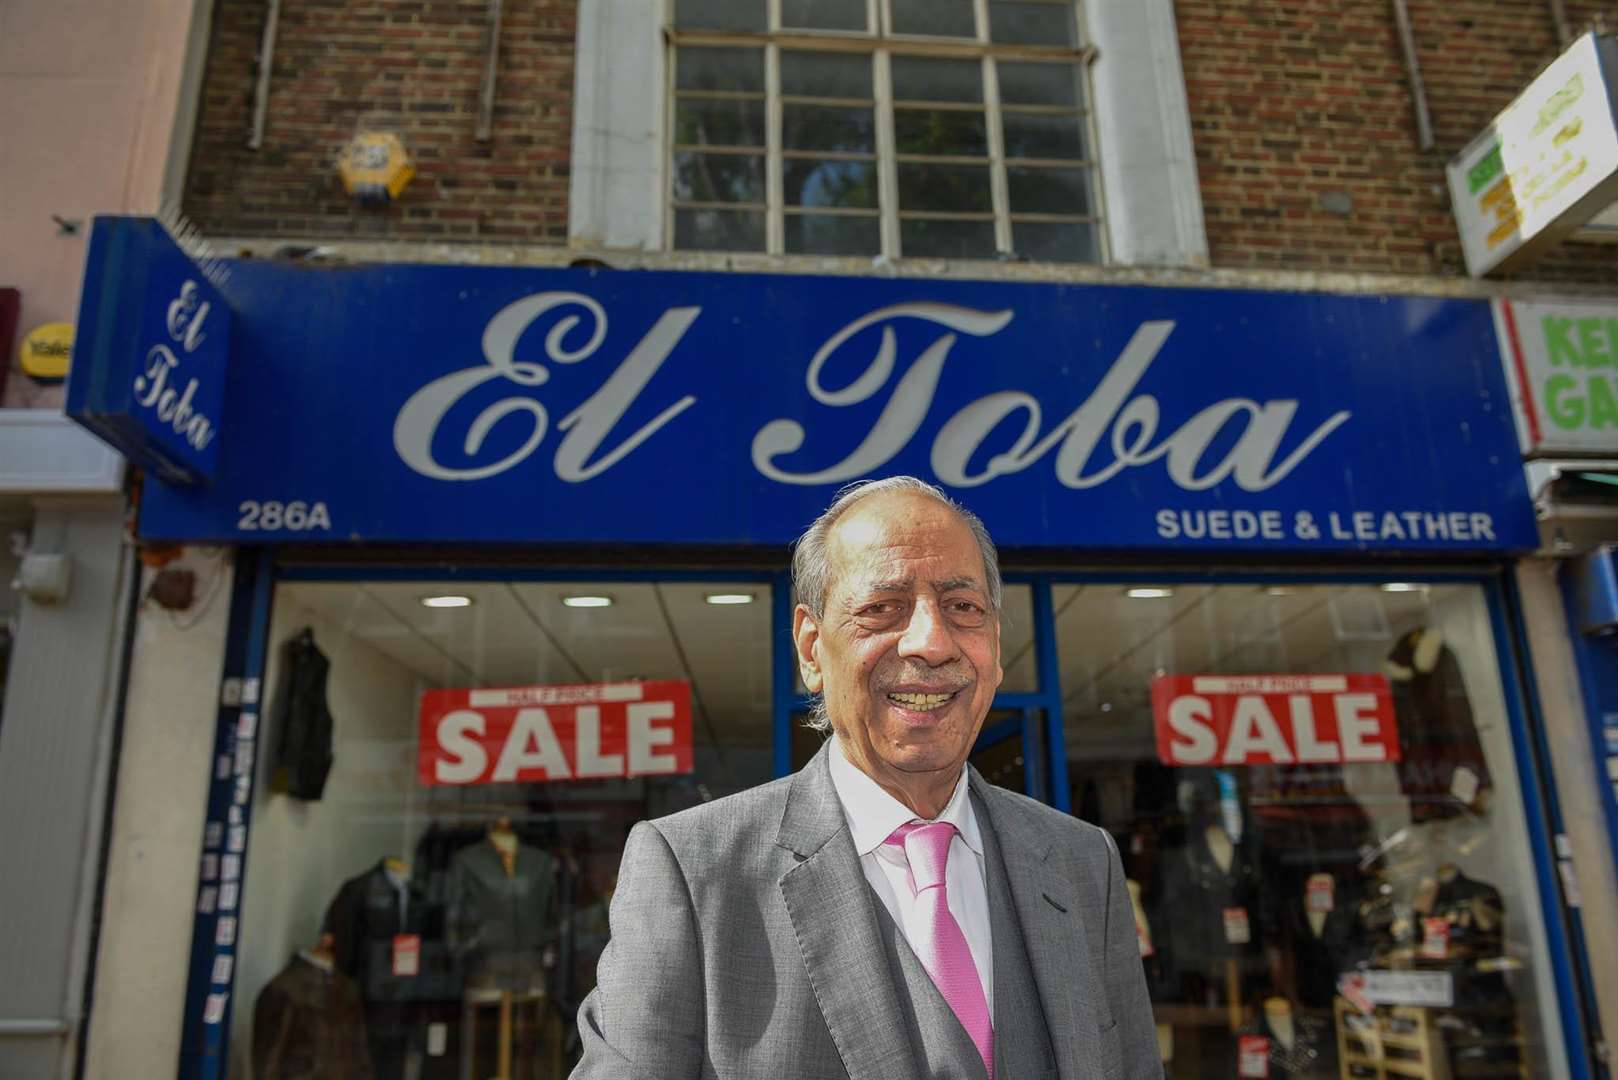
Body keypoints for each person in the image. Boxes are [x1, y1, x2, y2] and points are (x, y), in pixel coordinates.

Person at [572, 476, 1160, 1079]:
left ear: (995, 643)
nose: (932, 642)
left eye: (963, 608)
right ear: (810, 648)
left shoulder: (1085, 862)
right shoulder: (692, 873)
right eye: (882, 608)